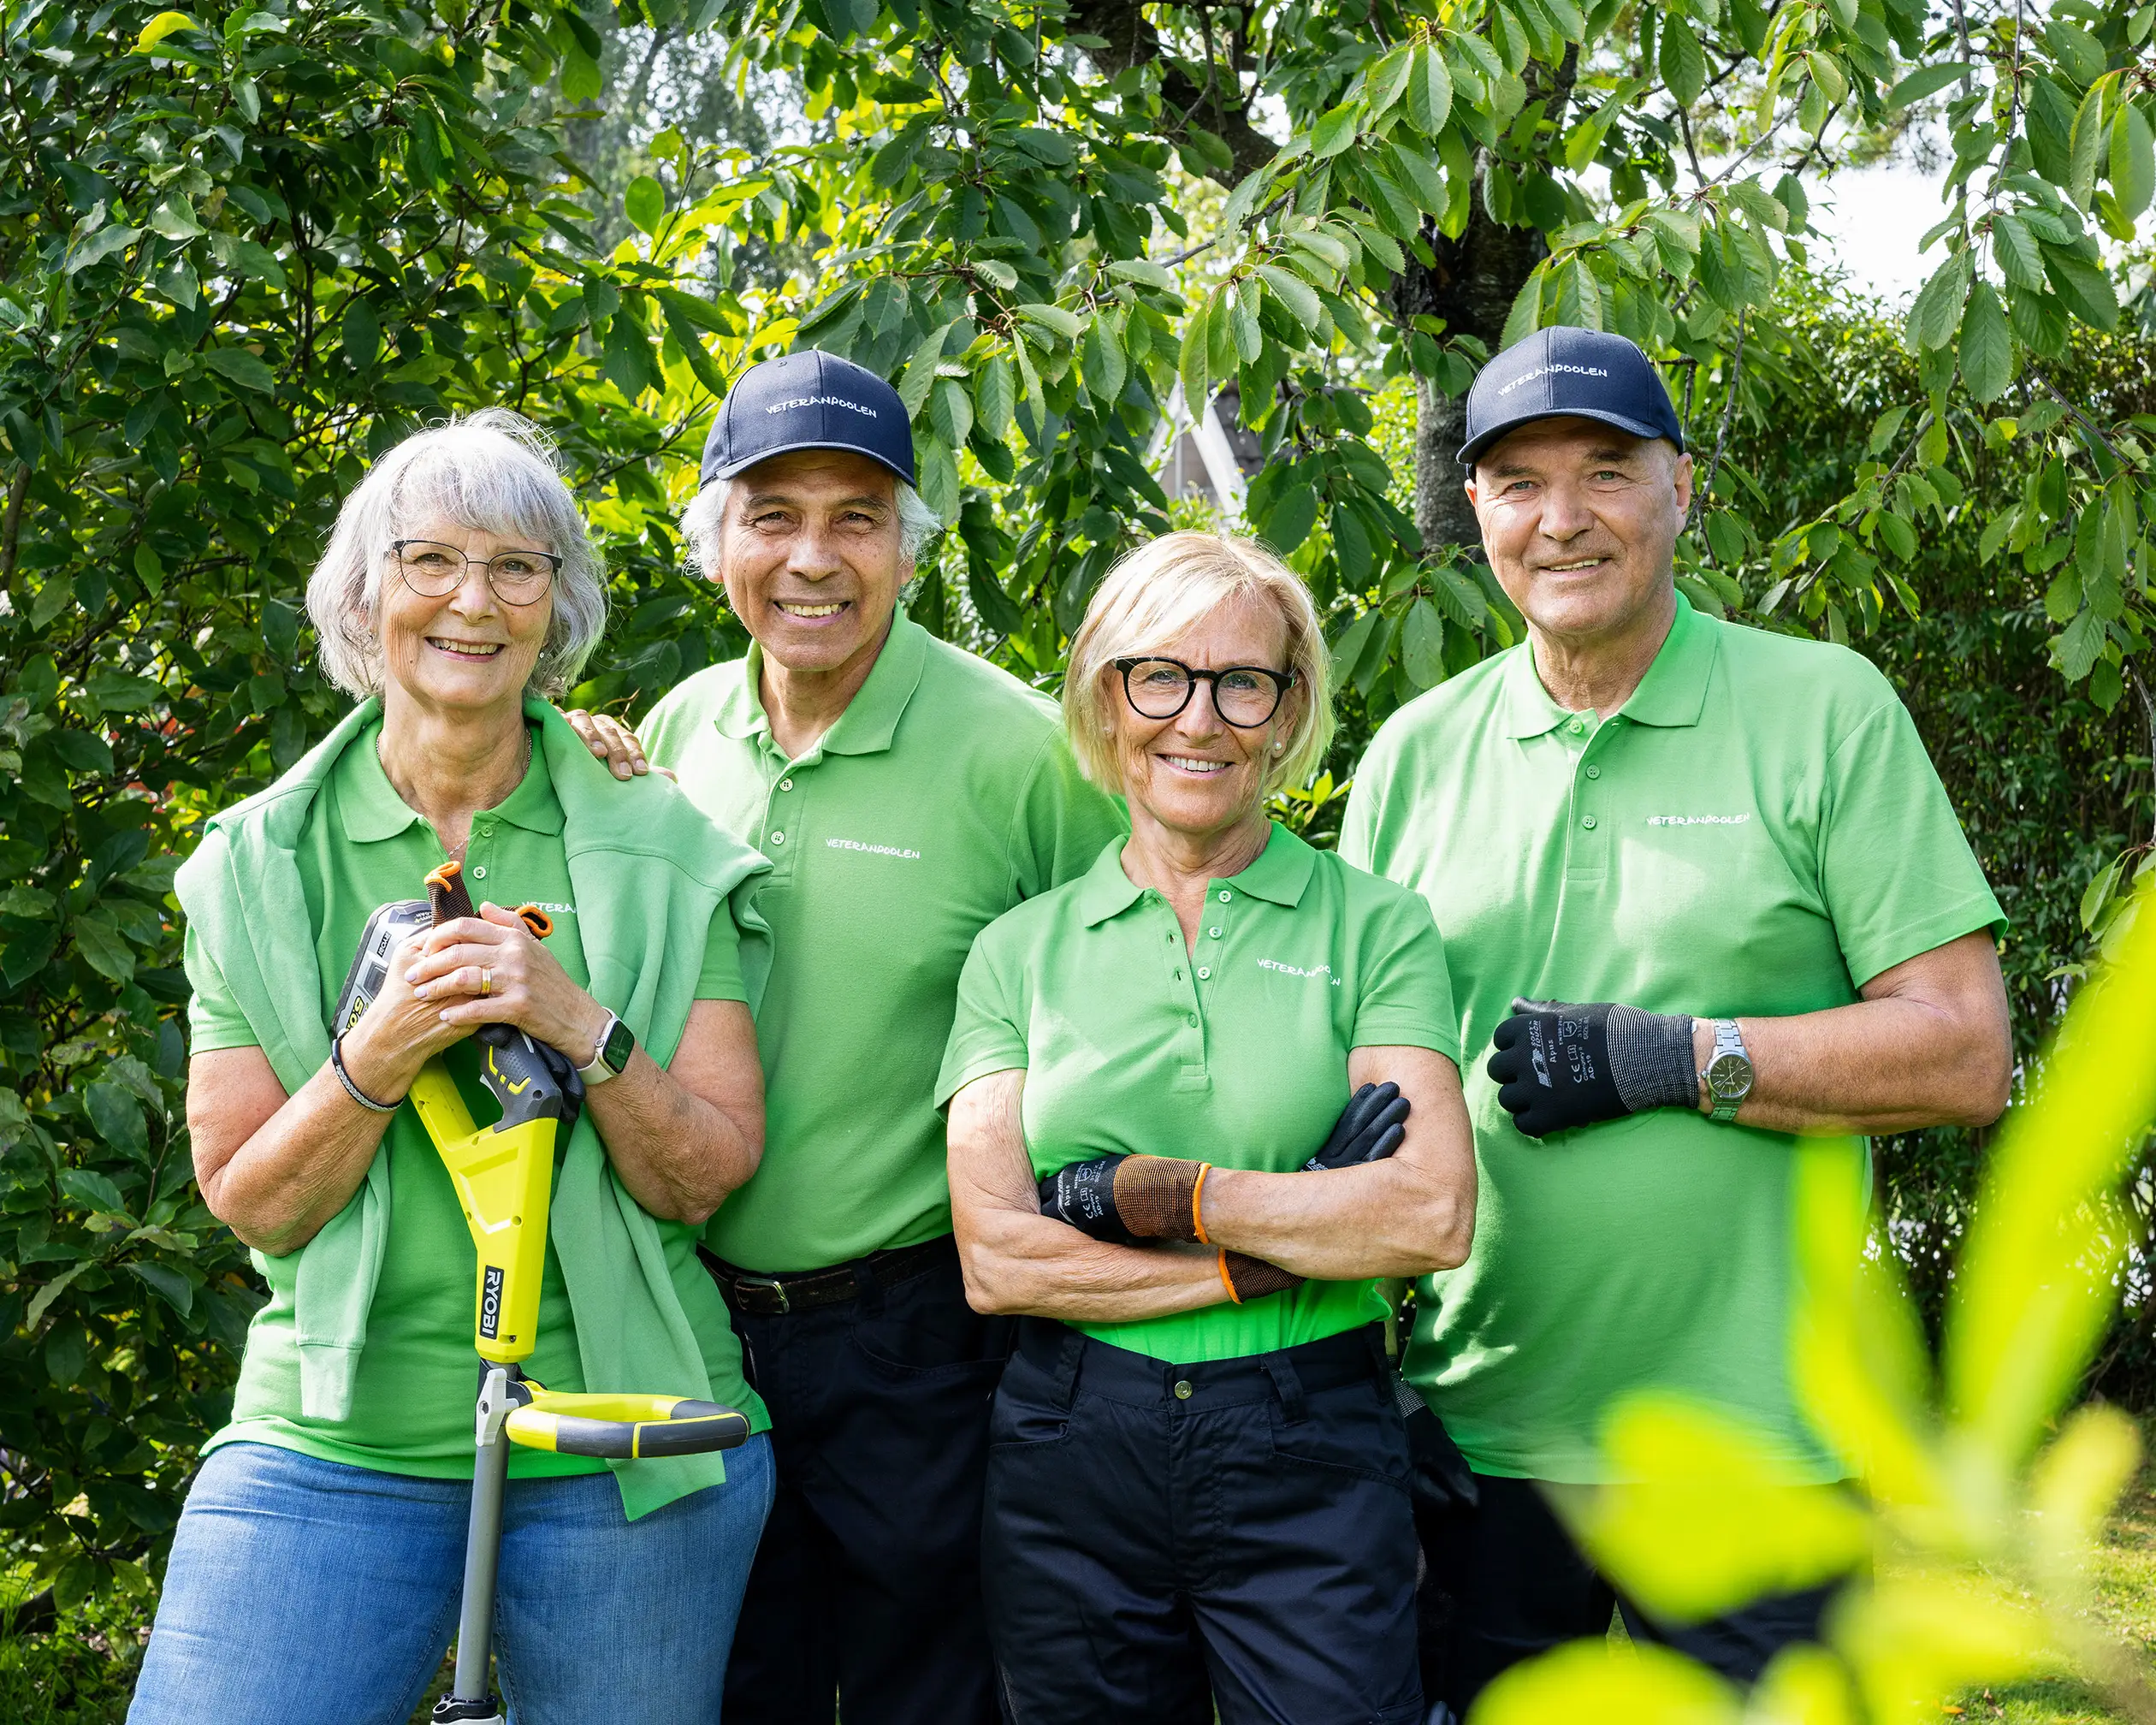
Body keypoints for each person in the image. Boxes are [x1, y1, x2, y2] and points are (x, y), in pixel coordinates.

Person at [1338, 326, 2013, 1711]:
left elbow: (1964, 1049)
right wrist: (1355, 1358)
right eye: (1519, 482)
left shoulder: (1825, 712)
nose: (1563, 518)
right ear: (1477, 509)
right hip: (1478, 1435)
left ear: (1681, 489)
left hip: (1759, 1447)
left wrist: (1671, 1058)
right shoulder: (1414, 755)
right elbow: (1366, 1095)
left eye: (1607, 473)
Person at [134, 412, 778, 1725]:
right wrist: (373, 1055)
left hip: (626, 1440)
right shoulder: (260, 864)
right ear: (366, 595)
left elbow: (705, 1175)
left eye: (518, 568)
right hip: (334, 1442)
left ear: (559, 607)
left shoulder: (661, 844)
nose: (473, 601)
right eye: (430, 560)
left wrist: (577, 1023)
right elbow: (256, 1201)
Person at [566, 351, 1125, 1725]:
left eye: (856, 517)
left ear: (908, 546)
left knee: (924, 1696)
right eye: (772, 517)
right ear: (714, 546)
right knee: (727, 1686)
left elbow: (1129, 1007)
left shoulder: (1021, 753)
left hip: (921, 1337)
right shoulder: (676, 734)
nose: (813, 558)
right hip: (690, 1322)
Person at [938, 532, 1478, 1724]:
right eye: (1160, 677)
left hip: (1312, 1441)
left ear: (1288, 715)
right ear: (1105, 698)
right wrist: (1273, 1247)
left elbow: (1430, 1211)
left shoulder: (1377, 929)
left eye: (1245, 682)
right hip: (1072, 1447)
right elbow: (1001, 1258)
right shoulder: (1016, 955)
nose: (1201, 719)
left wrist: (1160, 1196)